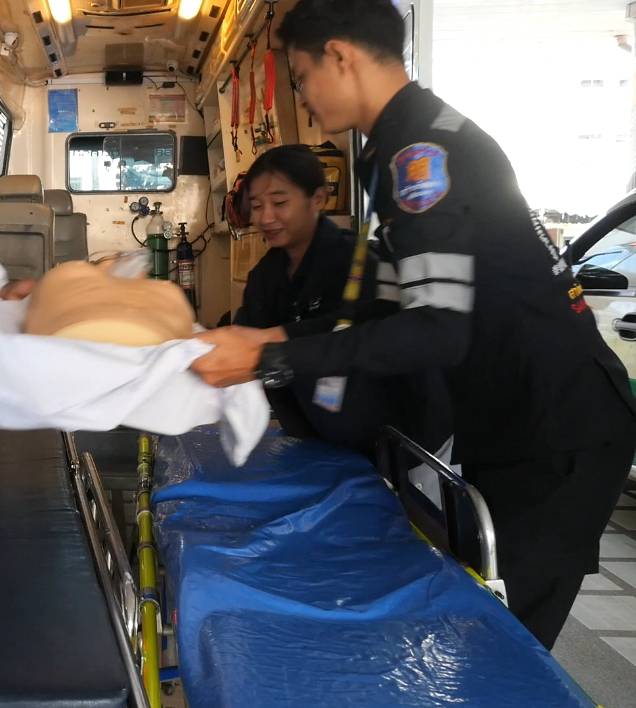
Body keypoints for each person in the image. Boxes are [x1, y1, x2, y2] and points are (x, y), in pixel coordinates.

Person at [190, 0, 636, 649]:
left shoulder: (421, 152)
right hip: (513, 417)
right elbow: (394, 308)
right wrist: (274, 338)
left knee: (502, 645)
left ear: (341, 56)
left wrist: (267, 361)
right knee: (480, 613)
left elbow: (434, 331)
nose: (304, 96)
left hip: (555, 426)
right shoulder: (397, 145)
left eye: (303, 76)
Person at [233, 144, 404, 456]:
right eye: (256, 206)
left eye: (279, 203)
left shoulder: (361, 265)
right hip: (313, 440)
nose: (266, 217)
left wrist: (278, 341)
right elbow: (243, 341)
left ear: (318, 199)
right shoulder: (263, 278)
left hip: (389, 444)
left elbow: (376, 339)